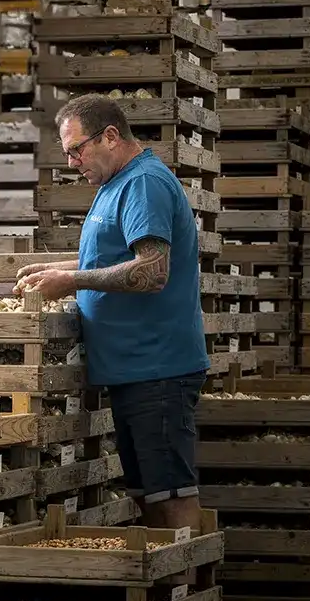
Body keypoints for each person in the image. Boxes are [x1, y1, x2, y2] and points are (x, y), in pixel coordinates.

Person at [14, 93, 209, 534]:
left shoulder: (144, 184)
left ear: (111, 136)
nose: (71, 162)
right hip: (129, 369)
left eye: (76, 149)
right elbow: (112, 257)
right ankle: (165, 586)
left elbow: (152, 271)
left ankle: (190, 592)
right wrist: (58, 268)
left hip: (157, 367)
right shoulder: (113, 185)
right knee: (148, 492)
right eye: (66, 153)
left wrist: (74, 282)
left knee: (172, 491)